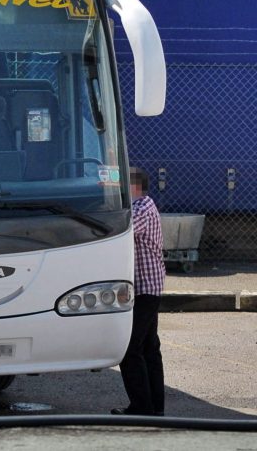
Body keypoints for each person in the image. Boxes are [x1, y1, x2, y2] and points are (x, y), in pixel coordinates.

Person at [112, 166, 166, 416]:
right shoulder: (144, 205)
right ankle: (154, 408)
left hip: (145, 289)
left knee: (131, 349)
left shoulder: (141, 208)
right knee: (149, 349)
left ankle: (142, 407)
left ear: (133, 187)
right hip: (147, 288)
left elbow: (119, 230)